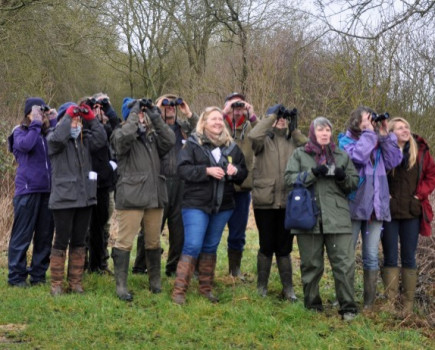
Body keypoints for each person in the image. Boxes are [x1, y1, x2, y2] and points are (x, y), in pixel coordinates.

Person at [285, 116, 359, 321]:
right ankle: (312, 304)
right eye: (320, 130)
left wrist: (343, 176)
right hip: (307, 217)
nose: (325, 133)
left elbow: (354, 182)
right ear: (312, 132)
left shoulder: (341, 155)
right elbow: (289, 180)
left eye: (328, 129)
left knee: (344, 264)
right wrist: (313, 173)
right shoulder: (300, 154)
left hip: (338, 218)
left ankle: (348, 307)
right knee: (311, 264)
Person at [172, 106, 247, 305]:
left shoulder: (232, 147)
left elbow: (244, 173)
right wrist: (206, 171)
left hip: (223, 206)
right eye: (213, 119)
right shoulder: (193, 144)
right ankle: (179, 291)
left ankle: (206, 289)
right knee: (193, 244)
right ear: (203, 122)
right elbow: (182, 170)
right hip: (196, 204)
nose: (217, 122)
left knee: (210, 246)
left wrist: (235, 170)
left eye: (220, 119)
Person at [110, 98, 175, 301]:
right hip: (131, 196)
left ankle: (155, 281)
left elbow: (170, 139)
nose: (141, 117)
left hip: (154, 196)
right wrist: (133, 115)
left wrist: (155, 114)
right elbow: (123, 140)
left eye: (142, 113)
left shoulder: (152, 137)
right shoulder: (120, 134)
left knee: (153, 241)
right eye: (136, 113)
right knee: (124, 242)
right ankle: (121, 285)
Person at [338, 107, 402, 310]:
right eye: (366, 120)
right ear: (356, 121)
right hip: (354, 204)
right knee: (346, 254)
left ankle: (368, 303)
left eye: (371, 121)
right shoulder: (345, 142)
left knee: (371, 255)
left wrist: (384, 135)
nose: (370, 123)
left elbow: (394, 161)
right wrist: (368, 133)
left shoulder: (375, 140)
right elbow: (358, 158)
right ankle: (344, 297)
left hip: (376, 206)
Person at [132, 94, 198, 277]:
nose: (170, 107)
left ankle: (173, 267)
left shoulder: (184, 128)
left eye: (172, 105)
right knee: (151, 227)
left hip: (181, 184)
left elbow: (201, 132)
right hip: (158, 181)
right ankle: (140, 265)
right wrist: (156, 108)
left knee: (179, 230)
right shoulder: (153, 127)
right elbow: (143, 128)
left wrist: (189, 112)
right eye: (166, 105)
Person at [47, 102, 107, 295]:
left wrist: (91, 118)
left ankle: (75, 282)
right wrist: (67, 117)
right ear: (63, 120)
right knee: (61, 240)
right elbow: (57, 140)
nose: (76, 123)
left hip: (84, 198)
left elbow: (102, 138)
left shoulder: (85, 140)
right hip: (64, 199)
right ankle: (56, 284)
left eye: (78, 120)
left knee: (80, 241)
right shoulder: (54, 139)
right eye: (73, 120)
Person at [248, 104, 306, 300]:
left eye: (284, 118)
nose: (281, 120)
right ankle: (261, 287)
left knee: (284, 247)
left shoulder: (293, 141)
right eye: (278, 117)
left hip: (288, 201)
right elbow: (253, 136)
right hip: (265, 200)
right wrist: (271, 117)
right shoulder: (263, 140)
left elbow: (309, 150)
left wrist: (295, 129)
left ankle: (288, 289)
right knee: (266, 245)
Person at [381, 117, 435, 314]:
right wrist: (383, 194)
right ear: (391, 132)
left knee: (409, 257)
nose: (405, 130)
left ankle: (407, 306)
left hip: (412, 211)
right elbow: (376, 173)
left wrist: (419, 194)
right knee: (390, 256)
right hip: (389, 211)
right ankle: (390, 303)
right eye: (400, 128)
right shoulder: (385, 150)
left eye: (406, 127)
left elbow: (432, 175)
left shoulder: (420, 151)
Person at [7, 97, 57, 287]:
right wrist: (35, 123)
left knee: (44, 236)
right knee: (22, 235)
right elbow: (26, 145)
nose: (41, 115)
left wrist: (53, 121)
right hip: (27, 191)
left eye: (42, 112)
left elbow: (57, 146)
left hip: (47, 191)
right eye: (37, 111)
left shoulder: (46, 135)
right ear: (28, 113)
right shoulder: (20, 132)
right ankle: (16, 276)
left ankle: (38, 275)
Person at [222, 92, 257, 279]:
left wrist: (251, 114)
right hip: (220, 185)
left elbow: (264, 136)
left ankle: (234, 269)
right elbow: (205, 130)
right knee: (212, 229)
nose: (237, 109)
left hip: (243, 186)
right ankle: (201, 268)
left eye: (240, 105)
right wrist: (224, 112)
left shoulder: (250, 126)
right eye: (233, 105)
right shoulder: (220, 124)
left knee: (238, 231)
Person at [84, 96, 118, 274]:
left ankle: (98, 264)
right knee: (86, 228)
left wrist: (108, 107)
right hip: (87, 184)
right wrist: (88, 110)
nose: (98, 110)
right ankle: (84, 264)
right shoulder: (84, 128)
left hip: (104, 185)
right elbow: (96, 140)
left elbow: (117, 127)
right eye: (94, 107)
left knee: (100, 226)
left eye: (100, 107)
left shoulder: (108, 128)